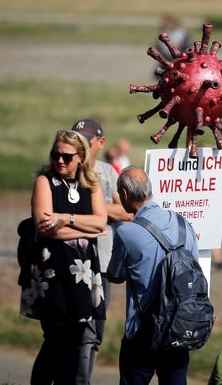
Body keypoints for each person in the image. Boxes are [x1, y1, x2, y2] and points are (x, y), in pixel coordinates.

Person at [22, 130, 107, 385]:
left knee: (77, 339)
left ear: (80, 157)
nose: (60, 161)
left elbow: (101, 223)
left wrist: (65, 219)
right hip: (53, 273)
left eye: (67, 157)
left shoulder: (91, 183)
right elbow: (43, 226)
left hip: (84, 273)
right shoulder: (44, 182)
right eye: (56, 155)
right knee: (56, 337)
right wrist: (85, 229)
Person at [107, 167, 198, 385]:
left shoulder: (127, 232)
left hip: (142, 331)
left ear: (125, 195)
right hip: (179, 327)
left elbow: (115, 275)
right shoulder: (184, 224)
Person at [71, 118, 132, 384]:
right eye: (77, 137)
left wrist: (95, 210)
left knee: (95, 333)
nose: (82, 143)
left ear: (100, 142)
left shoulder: (108, 172)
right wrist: (100, 213)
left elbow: (127, 212)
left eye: (87, 139)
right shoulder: (67, 167)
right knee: (71, 333)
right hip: (72, 261)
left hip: (103, 265)